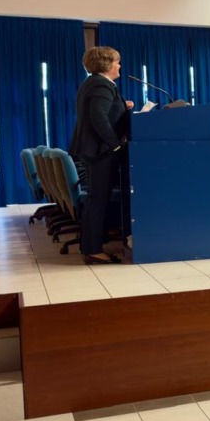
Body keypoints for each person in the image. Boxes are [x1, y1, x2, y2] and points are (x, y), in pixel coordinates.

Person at [69, 45, 133, 264]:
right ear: (107, 65)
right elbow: (98, 117)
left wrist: (123, 106)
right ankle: (93, 249)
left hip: (92, 149)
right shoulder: (102, 84)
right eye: (117, 62)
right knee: (98, 200)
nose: (119, 66)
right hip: (100, 151)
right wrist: (115, 144)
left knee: (96, 199)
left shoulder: (94, 83)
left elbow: (102, 111)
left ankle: (89, 245)